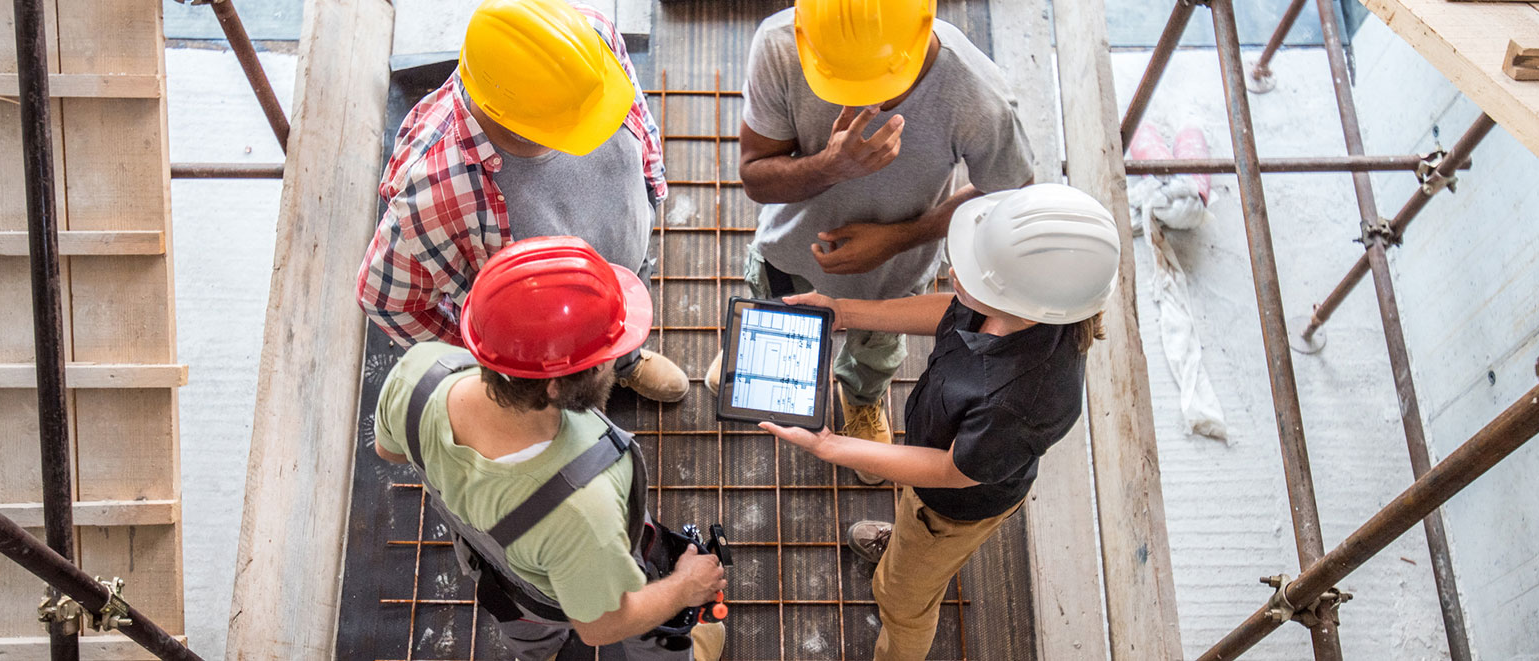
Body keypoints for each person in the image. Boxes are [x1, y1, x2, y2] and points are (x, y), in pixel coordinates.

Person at [759, 184, 1121, 660]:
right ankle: (907, 544)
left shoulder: (1024, 400)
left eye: (974, 277)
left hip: (955, 506)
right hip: (940, 458)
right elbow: (952, 311)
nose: (954, 273)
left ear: (1023, 302)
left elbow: (951, 472)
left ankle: (904, 611)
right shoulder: (1031, 306)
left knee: (902, 600)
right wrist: (844, 311)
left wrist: (831, 446)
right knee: (913, 521)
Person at [708, 0, 1038, 482]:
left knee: (875, 350)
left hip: (894, 273)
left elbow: (1010, 197)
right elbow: (757, 178)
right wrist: (831, 167)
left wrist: (899, 238)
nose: (867, 103)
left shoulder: (977, 95)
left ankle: (860, 397)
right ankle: (761, 359)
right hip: (788, 251)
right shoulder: (782, 45)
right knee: (775, 317)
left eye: (882, 84)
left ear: (924, 27)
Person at [372, 237, 726, 660]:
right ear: (557, 383)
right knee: (642, 616)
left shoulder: (418, 373)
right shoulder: (584, 507)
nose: (616, 357)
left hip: (496, 571)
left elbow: (389, 451)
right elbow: (604, 625)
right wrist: (685, 586)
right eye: (607, 354)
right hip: (573, 577)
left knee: (526, 622)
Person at [358, 0, 689, 403]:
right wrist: (499, 365)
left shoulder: (587, 43)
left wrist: (651, 188)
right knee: (565, 399)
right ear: (511, 116)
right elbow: (384, 298)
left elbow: (636, 112)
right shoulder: (433, 191)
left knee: (629, 296)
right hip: (553, 334)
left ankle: (624, 361)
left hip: (625, 262)